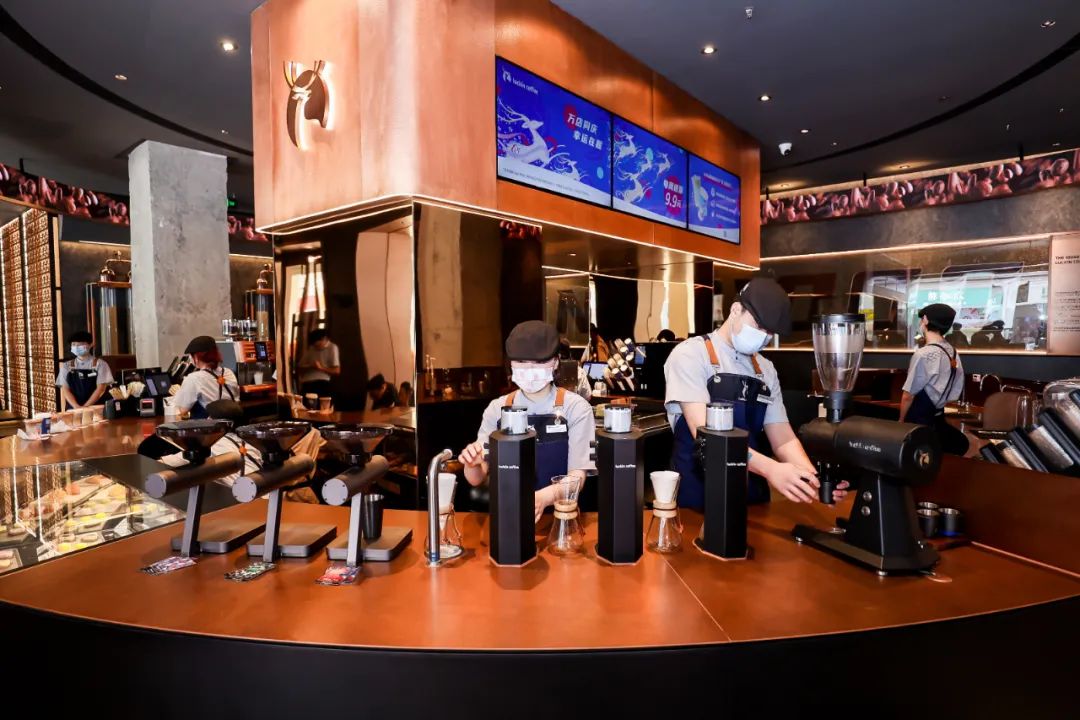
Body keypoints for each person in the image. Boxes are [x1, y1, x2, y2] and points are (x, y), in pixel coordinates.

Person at [664, 277, 848, 509]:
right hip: (698, 496)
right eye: (759, 326)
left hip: (751, 499)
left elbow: (783, 438)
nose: (764, 336)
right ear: (735, 310)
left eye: (770, 332)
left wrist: (813, 480)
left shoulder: (766, 370)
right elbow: (707, 437)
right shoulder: (690, 355)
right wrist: (771, 469)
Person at [459, 321, 596, 521]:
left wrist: (544, 498)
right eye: (522, 362)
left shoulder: (576, 408)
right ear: (511, 364)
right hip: (507, 517)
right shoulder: (497, 409)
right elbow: (476, 479)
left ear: (555, 362)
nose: (530, 369)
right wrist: (472, 464)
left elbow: (578, 477)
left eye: (539, 362)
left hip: (560, 519)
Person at [899, 304, 968, 455]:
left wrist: (901, 422)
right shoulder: (953, 352)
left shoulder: (924, 354)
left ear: (925, 320)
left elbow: (908, 395)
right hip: (937, 418)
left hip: (917, 421)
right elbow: (955, 388)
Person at [174, 335, 240, 420]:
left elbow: (183, 410)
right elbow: (237, 400)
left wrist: (178, 393)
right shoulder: (229, 372)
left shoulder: (193, 378)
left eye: (191, 356)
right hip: (231, 424)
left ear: (196, 357)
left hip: (207, 426)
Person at [55, 331, 114, 410]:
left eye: (80, 344)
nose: (76, 347)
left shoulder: (101, 364)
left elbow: (101, 389)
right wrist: (76, 407)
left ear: (91, 344)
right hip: (73, 409)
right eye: (74, 344)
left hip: (96, 409)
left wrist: (85, 407)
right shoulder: (66, 366)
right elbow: (65, 389)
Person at [297, 329, 340, 398]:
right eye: (315, 345)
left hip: (322, 382)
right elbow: (299, 367)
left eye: (318, 345)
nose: (316, 347)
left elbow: (337, 371)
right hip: (306, 382)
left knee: (321, 400)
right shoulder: (312, 348)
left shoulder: (332, 348)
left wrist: (321, 368)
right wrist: (311, 366)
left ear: (324, 339)